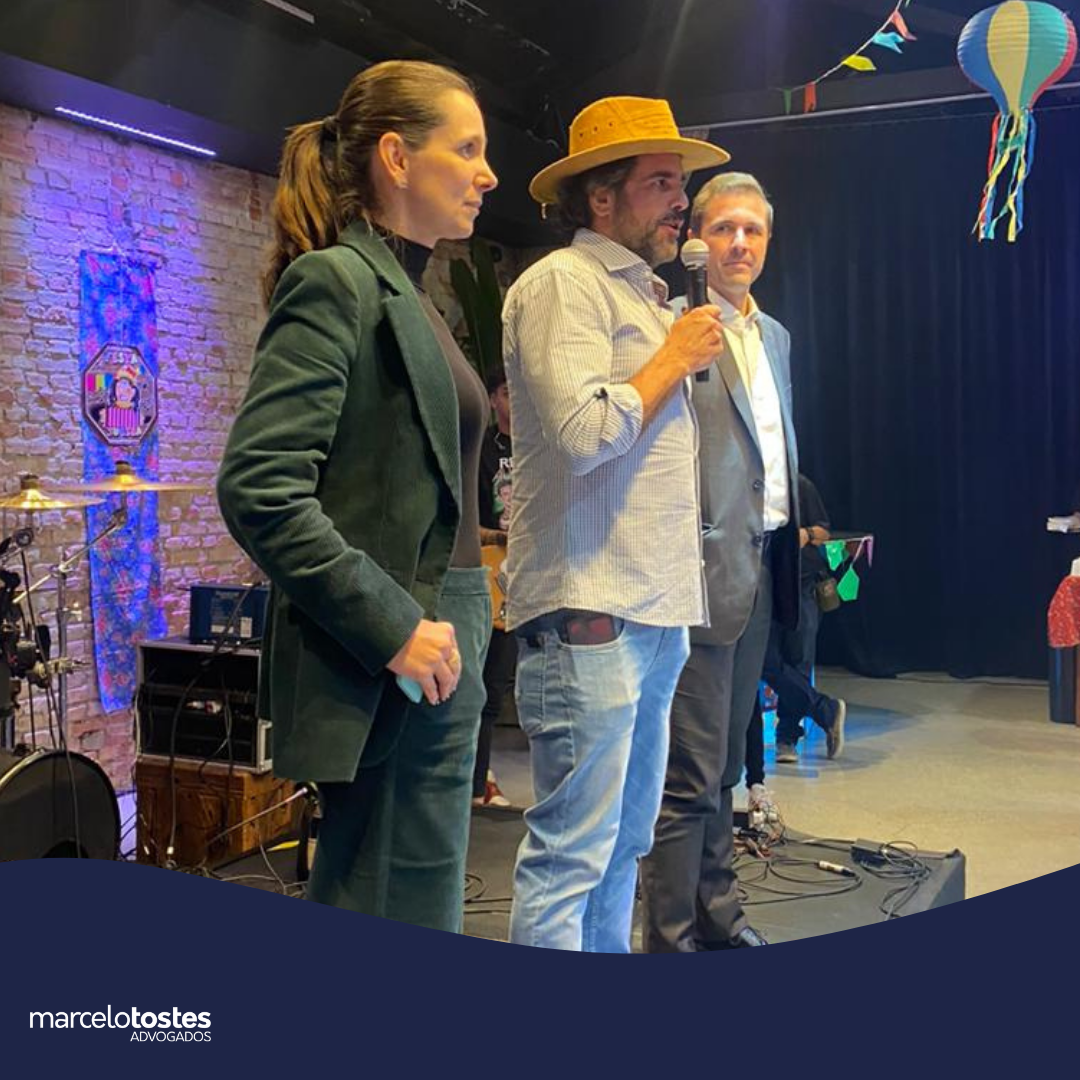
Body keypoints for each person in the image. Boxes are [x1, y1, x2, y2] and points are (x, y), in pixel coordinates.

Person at [216, 60, 498, 932]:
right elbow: (260, 487)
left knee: (415, 898)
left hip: (438, 637)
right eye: (467, 150)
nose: (488, 175)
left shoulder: (409, 292)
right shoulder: (338, 281)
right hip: (397, 653)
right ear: (396, 158)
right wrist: (393, 626)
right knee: (392, 900)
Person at [502, 96, 729, 951]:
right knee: (572, 857)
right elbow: (585, 432)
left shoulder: (649, 298)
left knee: (624, 847)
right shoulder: (563, 284)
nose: (682, 201)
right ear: (601, 197)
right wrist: (673, 356)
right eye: (661, 182)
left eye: (681, 183)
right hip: (591, 615)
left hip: (651, 613)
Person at [640, 172, 801, 952]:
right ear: (697, 241)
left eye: (754, 230)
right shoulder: (672, 327)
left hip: (761, 567)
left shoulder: (776, 337)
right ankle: (670, 940)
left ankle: (720, 916)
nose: (740, 243)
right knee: (689, 777)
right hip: (699, 576)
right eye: (725, 228)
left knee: (728, 766)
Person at [769, 473, 847, 762]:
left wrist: (806, 535)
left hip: (801, 584)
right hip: (765, 585)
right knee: (766, 661)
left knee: (798, 659)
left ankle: (787, 737)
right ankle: (825, 710)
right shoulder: (748, 485)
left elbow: (824, 531)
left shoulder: (800, 485)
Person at [474, 364, 514, 808]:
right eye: (505, 392)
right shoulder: (481, 448)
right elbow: (465, 521)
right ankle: (477, 781)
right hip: (490, 577)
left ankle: (481, 777)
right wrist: (500, 538)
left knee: (502, 684)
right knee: (483, 686)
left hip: (537, 575)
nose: (514, 400)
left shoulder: (541, 444)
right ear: (491, 399)